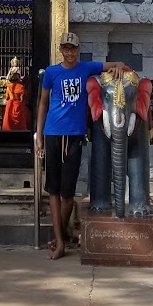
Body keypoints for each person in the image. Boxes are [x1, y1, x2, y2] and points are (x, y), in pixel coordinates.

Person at [35, 32, 124, 260]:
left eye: (73, 49)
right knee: (53, 190)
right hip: (53, 133)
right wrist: (39, 137)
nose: (70, 53)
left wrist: (118, 68)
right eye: (66, 49)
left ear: (78, 49)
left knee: (68, 193)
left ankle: (59, 237)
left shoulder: (86, 68)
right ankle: (60, 242)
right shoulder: (52, 73)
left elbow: (117, 64)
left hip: (75, 136)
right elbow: (43, 103)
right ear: (61, 50)